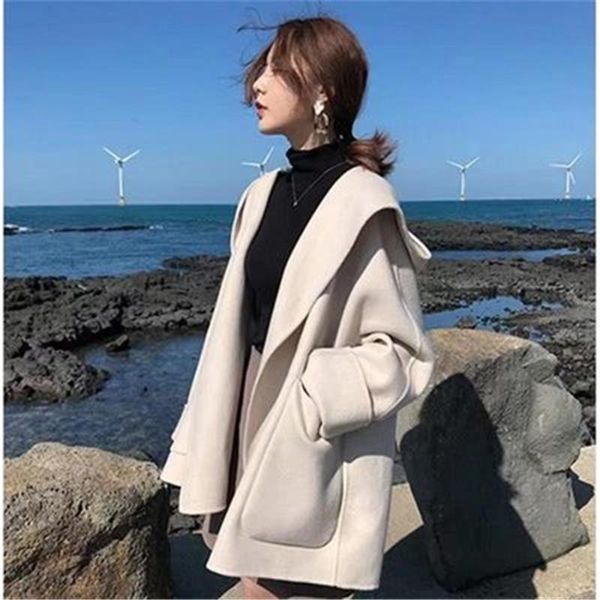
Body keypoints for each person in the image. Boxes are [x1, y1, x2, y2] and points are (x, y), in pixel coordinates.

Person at [160, 13, 434, 599]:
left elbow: (403, 351)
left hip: (312, 430)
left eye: (275, 70)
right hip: (246, 409)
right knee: (252, 572)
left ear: (323, 89)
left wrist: (316, 395)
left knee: (287, 583)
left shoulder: (365, 205)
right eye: (258, 72)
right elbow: (239, 324)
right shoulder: (260, 195)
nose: (256, 86)